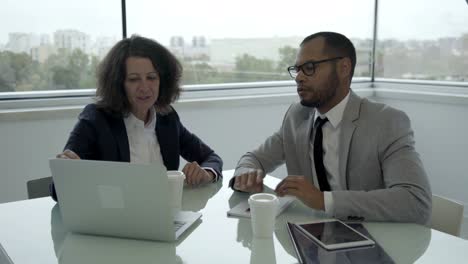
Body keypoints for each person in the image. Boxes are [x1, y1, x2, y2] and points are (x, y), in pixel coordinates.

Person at [229, 32, 431, 224]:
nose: (299, 77)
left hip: (372, 243)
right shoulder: (297, 116)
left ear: (343, 68)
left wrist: (323, 201)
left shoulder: (386, 122)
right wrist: (246, 173)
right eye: (297, 69)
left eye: (309, 67)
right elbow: (254, 159)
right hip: (309, 239)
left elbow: (415, 201)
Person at [50, 35, 222, 201]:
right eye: (134, 79)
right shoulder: (96, 120)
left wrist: (206, 174)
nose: (145, 87)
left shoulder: (167, 118)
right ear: (118, 83)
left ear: (163, 80)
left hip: (163, 217)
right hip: (114, 222)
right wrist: (72, 175)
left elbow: (212, 158)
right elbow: (57, 190)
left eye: (151, 77)